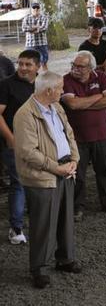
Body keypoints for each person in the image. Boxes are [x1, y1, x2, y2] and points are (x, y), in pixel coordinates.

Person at [13, 71, 81, 289]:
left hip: (64, 170)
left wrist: (74, 161)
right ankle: (39, 268)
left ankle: (65, 259)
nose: (63, 91)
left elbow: (69, 135)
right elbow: (28, 152)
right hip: (44, 176)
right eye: (60, 88)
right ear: (48, 90)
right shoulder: (25, 115)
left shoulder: (57, 108)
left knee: (65, 219)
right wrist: (57, 168)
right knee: (43, 225)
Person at [60, 51, 106, 218]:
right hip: (76, 137)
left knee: (105, 169)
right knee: (77, 173)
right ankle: (77, 207)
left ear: (90, 67)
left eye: (80, 66)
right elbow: (72, 104)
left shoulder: (101, 76)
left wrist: (83, 102)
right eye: (73, 65)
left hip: (101, 134)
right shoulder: (66, 80)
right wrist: (98, 95)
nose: (75, 69)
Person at [0, 49, 40, 246]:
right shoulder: (6, 85)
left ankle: (40, 222)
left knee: (37, 181)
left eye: (28, 64)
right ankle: (16, 228)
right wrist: (10, 138)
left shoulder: (43, 85)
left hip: (39, 143)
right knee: (19, 182)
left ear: (37, 67)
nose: (22, 68)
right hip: (13, 144)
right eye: (20, 64)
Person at [22, 2, 49, 72]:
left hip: (42, 43)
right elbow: (24, 28)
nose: (36, 9)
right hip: (30, 43)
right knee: (29, 61)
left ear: (40, 9)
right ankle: (31, 77)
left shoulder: (44, 17)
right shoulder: (26, 18)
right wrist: (37, 28)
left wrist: (32, 28)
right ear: (31, 9)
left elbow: (44, 28)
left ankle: (45, 77)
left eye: (37, 8)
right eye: (34, 7)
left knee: (44, 61)